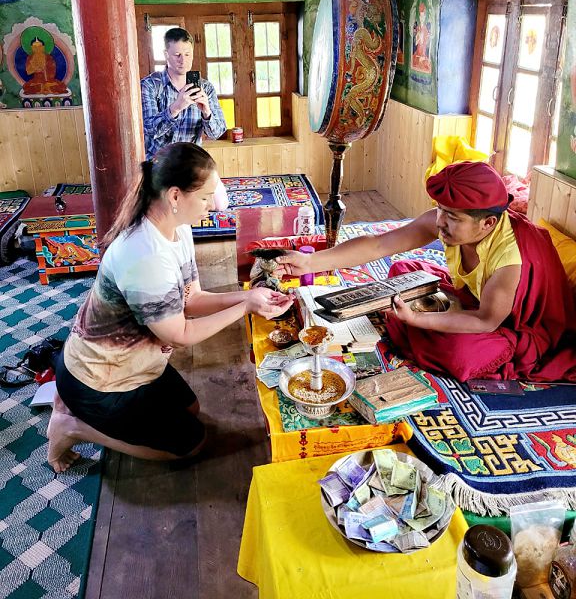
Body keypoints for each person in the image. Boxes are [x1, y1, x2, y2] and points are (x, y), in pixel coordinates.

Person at [47, 143, 293, 473]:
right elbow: (179, 334)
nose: (212, 206)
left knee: (191, 410)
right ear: (175, 195)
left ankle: (82, 411)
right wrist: (246, 306)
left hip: (136, 365)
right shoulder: (145, 255)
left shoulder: (177, 228)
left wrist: (250, 295)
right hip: (100, 381)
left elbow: (192, 299)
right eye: (205, 197)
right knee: (191, 444)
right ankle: (72, 426)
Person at [277, 161, 576, 383]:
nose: (440, 221)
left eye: (452, 217)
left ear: (488, 224)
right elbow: (380, 244)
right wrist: (311, 262)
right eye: (440, 210)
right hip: (473, 298)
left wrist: (417, 318)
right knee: (403, 270)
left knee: (459, 354)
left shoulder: (510, 261)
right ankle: (426, 323)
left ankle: (418, 326)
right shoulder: (449, 221)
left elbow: (485, 321)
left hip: (510, 323)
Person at [141, 26, 229, 208]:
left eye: (188, 54)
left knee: (220, 205)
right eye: (177, 55)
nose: (183, 60)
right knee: (168, 208)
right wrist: (176, 107)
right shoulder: (150, 85)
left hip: (192, 162)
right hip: (159, 163)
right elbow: (149, 130)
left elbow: (217, 132)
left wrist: (206, 112)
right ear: (166, 54)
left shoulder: (205, 88)